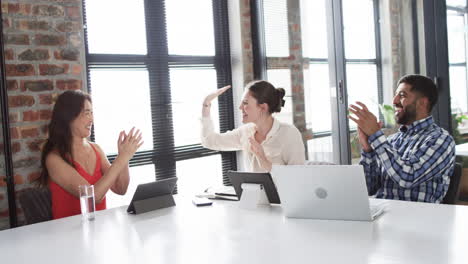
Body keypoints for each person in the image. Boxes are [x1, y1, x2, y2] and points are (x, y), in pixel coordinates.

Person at [348, 74, 455, 203]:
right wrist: (368, 150)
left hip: (419, 220)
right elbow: (368, 188)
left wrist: (376, 135)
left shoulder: (441, 140)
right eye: (396, 94)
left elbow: (407, 177)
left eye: (402, 95)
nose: (394, 101)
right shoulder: (392, 140)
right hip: (385, 215)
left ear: (423, 102)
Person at [39, 90, 143, 219]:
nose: (92, 119)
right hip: (67, 233)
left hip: (98, 229)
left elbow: (120, 189)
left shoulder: (96, 149)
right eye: (87, 113)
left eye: (92, 113)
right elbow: (94, 198)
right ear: (69, 117)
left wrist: (124, 156)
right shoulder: (54, 159)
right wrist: (122, 159)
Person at [201, 80, 306, 172]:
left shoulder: (289, 134)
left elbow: (297, 178)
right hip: (251, 194)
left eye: (245, 103)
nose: (240, 107)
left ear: (263, 107)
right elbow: (209, 141)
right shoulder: (245, 132)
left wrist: (263, 159)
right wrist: (206, 104)